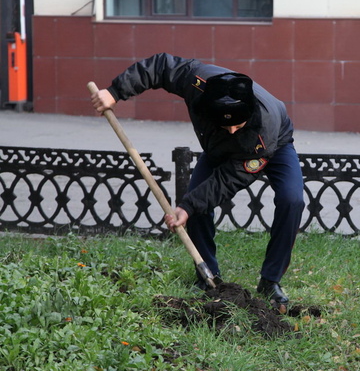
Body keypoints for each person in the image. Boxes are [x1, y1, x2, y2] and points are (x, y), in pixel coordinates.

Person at [90, 53, 305, 305]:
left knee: (292, 200)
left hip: (272, 146)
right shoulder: (197, 81)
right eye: (227, 124)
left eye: (238, 124)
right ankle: (208, 277)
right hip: (217, 147)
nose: (233, 130)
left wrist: (188, 205)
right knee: (197, 205)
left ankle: (270, 281)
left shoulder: (264, 128)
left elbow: (229, 179)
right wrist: (115, 91)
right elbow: (160, 67)